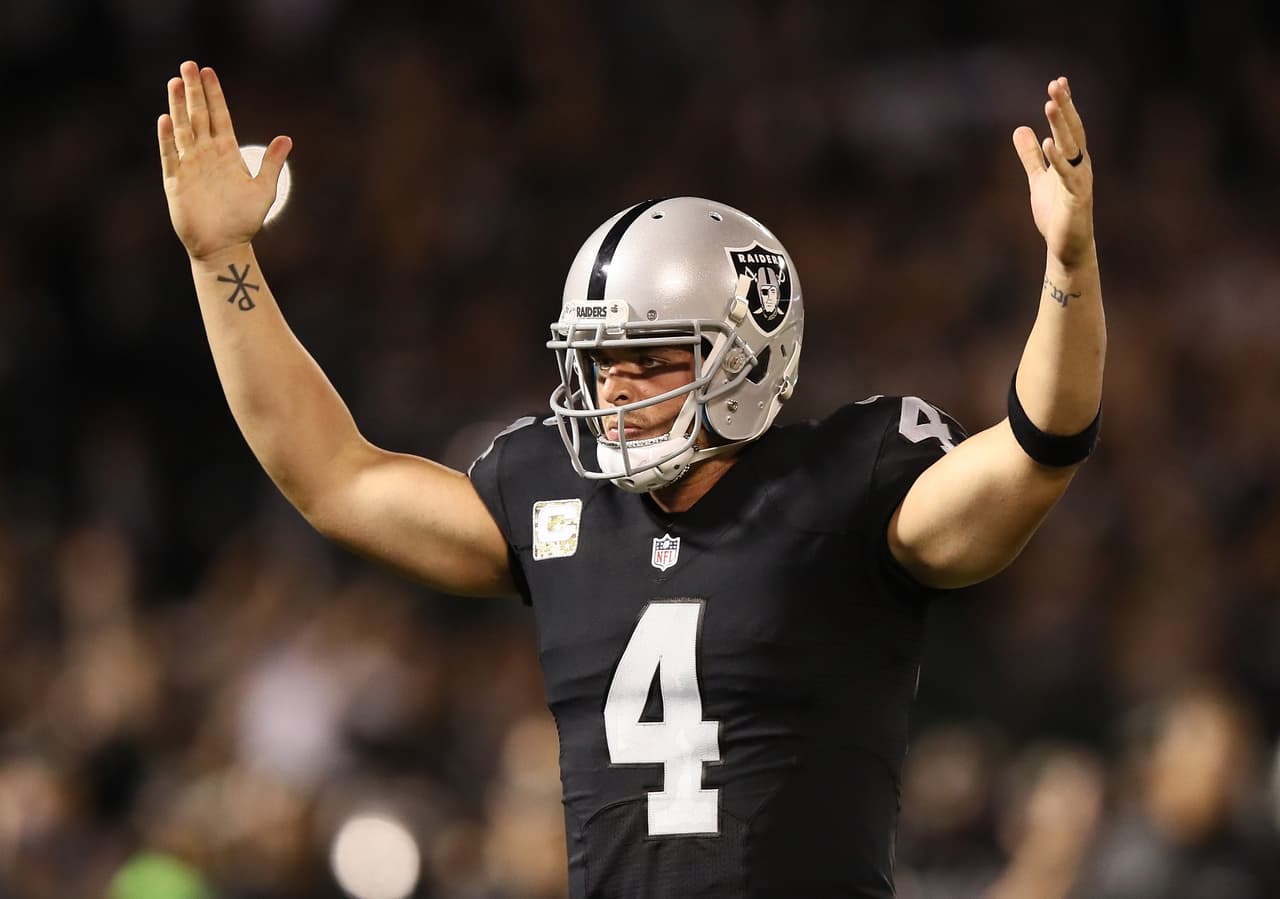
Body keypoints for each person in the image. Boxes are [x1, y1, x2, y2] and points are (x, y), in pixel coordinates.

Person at [158, 59, 1105, 898]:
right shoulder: (555, 494)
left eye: (650, 357)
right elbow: (334, 477)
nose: (613, 384)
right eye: (600, 358)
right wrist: (220, 260)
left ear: (747, 354)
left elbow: (1036, 447)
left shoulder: (845, 481)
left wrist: (1068, 266)